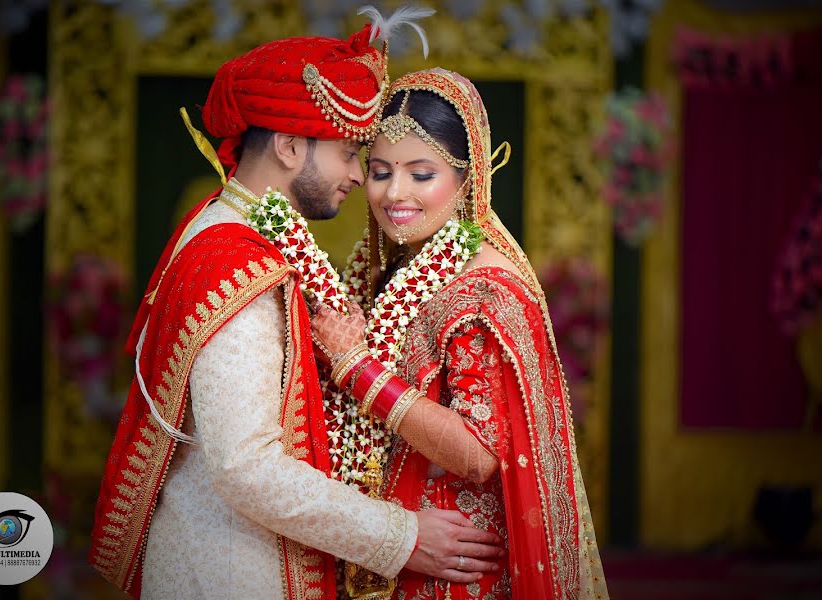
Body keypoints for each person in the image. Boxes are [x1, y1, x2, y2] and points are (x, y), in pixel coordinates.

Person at [88, 21, 504, 598]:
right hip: (232, 573)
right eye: (349, 153)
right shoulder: (236, 263)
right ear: (288, 146)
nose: (360, 177)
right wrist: (401, 537)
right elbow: (245, 466)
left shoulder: (228, 228)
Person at [311, 69, 609, 599]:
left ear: (467, 179)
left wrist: (358, 367)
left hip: (453, 572)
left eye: (421, 174)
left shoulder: (484, 292)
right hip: (396, 551)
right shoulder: (401, 265)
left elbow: (478, 455)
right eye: (380, 171)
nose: (394, 193)